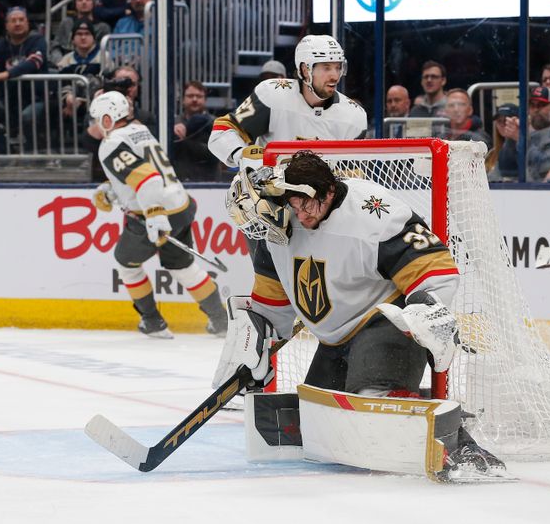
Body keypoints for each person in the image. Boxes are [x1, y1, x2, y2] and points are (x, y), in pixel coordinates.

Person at [215, 149, 509, 482]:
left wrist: (426, 310)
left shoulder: (373, 214)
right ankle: (444, 410)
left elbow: (436, 269)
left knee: (374, 398)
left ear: (327, 193)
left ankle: (463, 449)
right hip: (336, 337)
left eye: (307, 204)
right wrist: (254, 352)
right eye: (293, 205)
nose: (301, 213)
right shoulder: (280, 224)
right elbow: (273, 306)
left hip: (387, 320)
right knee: (321, 415)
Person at [87, 90, 228, 338]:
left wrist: (155, 216)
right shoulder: (141, 131)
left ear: (108, 118)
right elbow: (143, 175)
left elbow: (148, 179)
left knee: (126, 262)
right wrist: (113, 191)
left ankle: (153, 322)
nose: (96, 125)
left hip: (154, 212)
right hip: (181, 205)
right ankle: (221, 321)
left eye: (97, 119)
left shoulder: (110, 144)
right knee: (183, 266)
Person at [208, 34, 367, 169]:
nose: (335, 76)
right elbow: (223, 130)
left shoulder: (354, 117)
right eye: (326, 68)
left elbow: (352, 176)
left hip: (324, 202)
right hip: (270, 198)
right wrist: (241, 155)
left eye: (338, 67)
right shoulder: (272, 95)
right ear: (305, 70)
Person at [0, 7, 48, 153]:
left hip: (36, 99)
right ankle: (5, 151)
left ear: (27, 23)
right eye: (13, 21)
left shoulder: (38, 40)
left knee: (27, 116)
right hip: (8, 101)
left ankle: (31, 154)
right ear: (6, 25)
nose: (18, 23)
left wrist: (5, 74)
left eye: (21, 20)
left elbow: (34, 62)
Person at [57, 19, 107, 124]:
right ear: (73, 39)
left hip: (97, 103)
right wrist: (67, 97)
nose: (83, 37)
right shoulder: (65, 60)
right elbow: (61, 84)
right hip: (69, 103)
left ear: (93, 38)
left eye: (87, 34)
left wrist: (82, 101)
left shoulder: (104, 57)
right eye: (79, 34)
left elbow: (104, 86)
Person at [172, 80, 222, 182]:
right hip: (181, 181)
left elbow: (217, 154)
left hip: (210, 183)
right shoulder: (172, 123)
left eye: (199, 96)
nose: (194, 99)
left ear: (205, 100)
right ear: (183, 100)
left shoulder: (217, 123)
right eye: (190, 96)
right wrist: (171, 132)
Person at [50, 0, 111, 65]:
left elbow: (106, 50)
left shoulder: (102, 27)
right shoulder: (66, 23)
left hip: (94, 65)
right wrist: (60, 62)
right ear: (75, 4)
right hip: (66, 65)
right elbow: (55, 47)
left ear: (93, 3)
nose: (84, 2)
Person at [485, 103, 519, 181]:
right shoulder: (492, 153)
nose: (503, 124)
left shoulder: (525, 148)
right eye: (499, 121)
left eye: (507, 120)